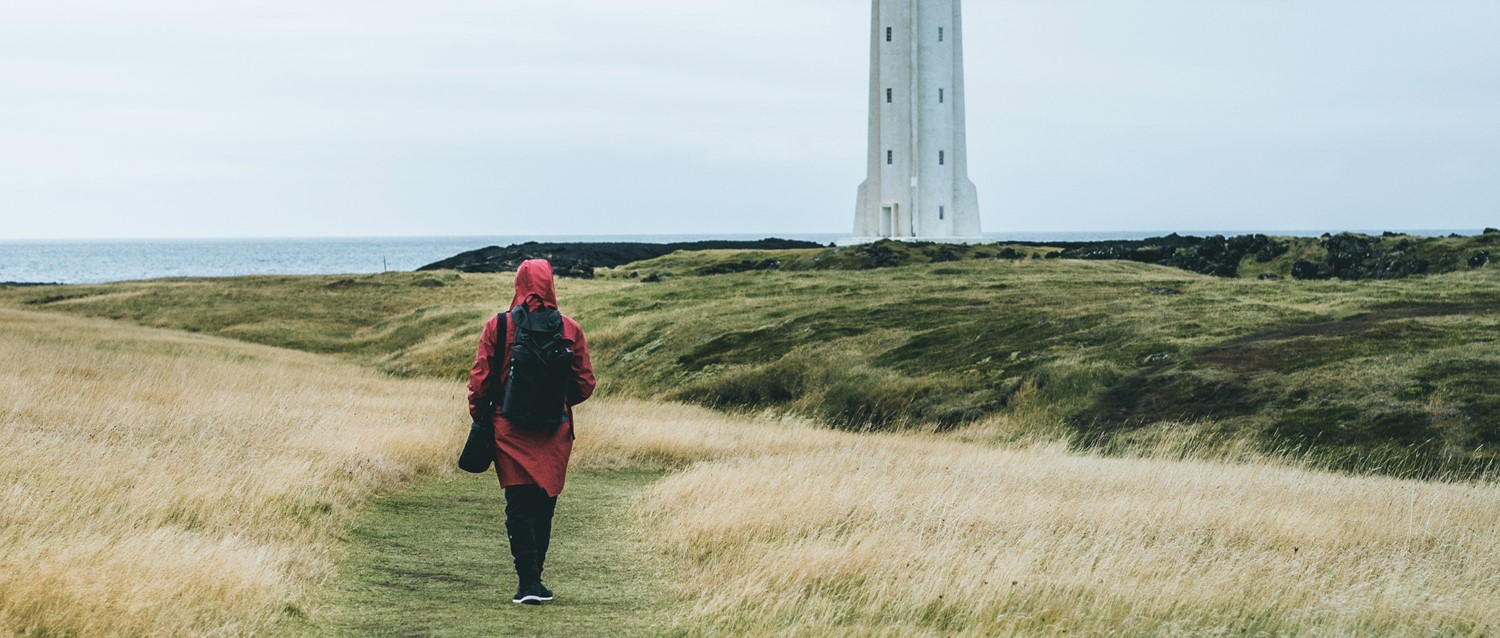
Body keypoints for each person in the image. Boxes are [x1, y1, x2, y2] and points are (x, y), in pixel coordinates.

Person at [467, 259, 596, 605]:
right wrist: (558, 403)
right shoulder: (569, 328)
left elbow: (479, 382)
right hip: (555, 431)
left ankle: (528, 583)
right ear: (551, 284)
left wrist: (483, 417)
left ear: (519, 284)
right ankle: (534, 580)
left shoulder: (499, 326)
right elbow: (585, 383)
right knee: (544, 505)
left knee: (518, 505)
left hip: (509, 428)